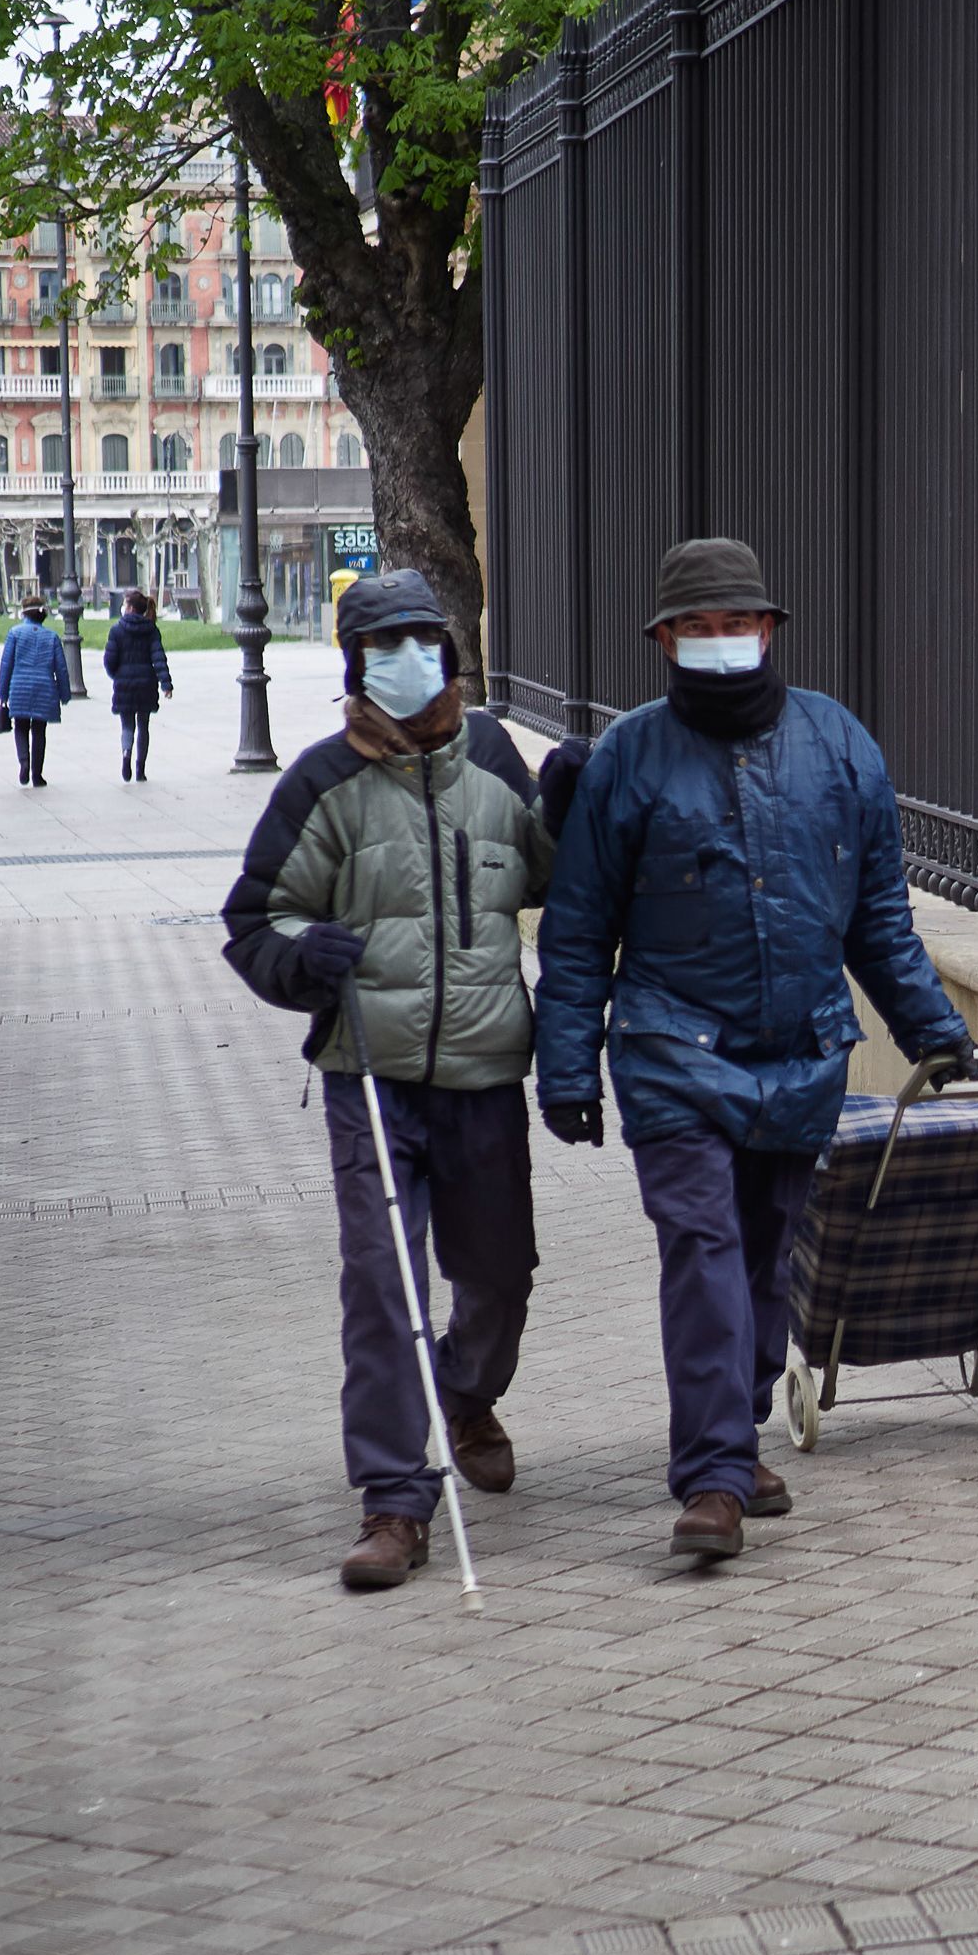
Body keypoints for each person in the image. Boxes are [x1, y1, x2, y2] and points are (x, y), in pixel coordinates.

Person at [536, 537, 977, 1562]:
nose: (721, 641)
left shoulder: (839, 746)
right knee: (703, 1248)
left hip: (802, 1053)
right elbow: (577, 925)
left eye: (737, 623)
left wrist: (934, 1027)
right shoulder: (628, 761)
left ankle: (734, 1436)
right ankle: (714, 1477)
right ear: (663, 641)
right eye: (698, 626)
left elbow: (877, 917)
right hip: (670, 1049)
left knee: (769, 1254)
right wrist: (566, 1067)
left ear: (770, 629)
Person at [220, 568, 594, 1591]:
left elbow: (553, 881)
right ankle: (394, 1497)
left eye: (421, 640)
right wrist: (305, 958)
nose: (405, 659)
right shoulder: (320, 782)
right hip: (370, 1079)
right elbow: (255, 919)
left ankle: (466, 1393)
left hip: (481, 1073)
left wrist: (563, 811)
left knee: (499, 1275)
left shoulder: (489, 760)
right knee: (383, 1287)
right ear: (355, 665)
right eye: (383, 645)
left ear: (450, 653)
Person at [100, 589, 174, 781]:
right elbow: (158, 658)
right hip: (146, 684)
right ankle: (140, 769)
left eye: (125, 605)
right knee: (143, 726)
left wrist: (117, 675)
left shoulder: (116, 630)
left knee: (127, 726)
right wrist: (166, 684)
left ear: (130, 608)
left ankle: (126, 754)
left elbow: (109, 660)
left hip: (124, 683)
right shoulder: (151, 630)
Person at [0, 601, 70, 787]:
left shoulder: (15, 634)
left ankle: (24, 762)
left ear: (24, 614)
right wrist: (64, 693)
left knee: (20, 726)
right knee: (39, 730)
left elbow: (6, 665)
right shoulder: (52, 637)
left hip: (19, 686)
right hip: (44, 687)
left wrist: (3, 693)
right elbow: (61, 668)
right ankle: (37, 774)